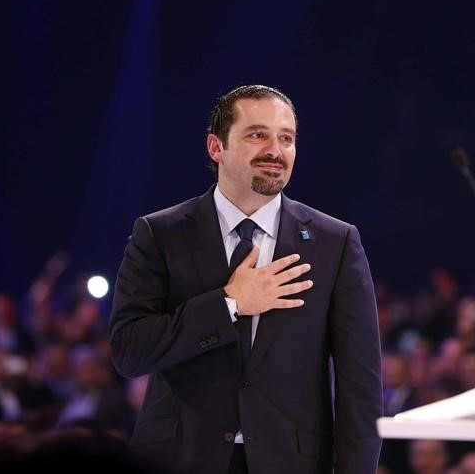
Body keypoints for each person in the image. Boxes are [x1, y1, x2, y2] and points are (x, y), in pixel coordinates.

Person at [109, 84, 382, 473]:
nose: (275, 150)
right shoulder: (159, 233)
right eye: (257, 135)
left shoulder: (335, 242)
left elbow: (362, 386)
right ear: (215, 147)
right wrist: (229, 304)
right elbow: (128, 350)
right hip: (180, 460)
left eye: (286, 138)